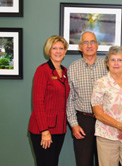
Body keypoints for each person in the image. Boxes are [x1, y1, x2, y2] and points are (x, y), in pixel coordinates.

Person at [67, 31, 107, 166]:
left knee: (107, 162)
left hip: (105, 120)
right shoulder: (73, 68)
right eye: (85, 42)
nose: (89, 45)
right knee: (83, 162)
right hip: (83, 121)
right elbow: (69, 99)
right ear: (80, 47)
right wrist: (74, 124)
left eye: (92, 42)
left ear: (97, 45)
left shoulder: (108, 67)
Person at [28, 35, 70, 166]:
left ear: (65, 51)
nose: (58, 51)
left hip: (60, 129)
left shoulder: (65, 72)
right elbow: (38, 103)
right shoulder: (42, 70)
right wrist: (44, 131)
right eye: (54, 48)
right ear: (49, 51)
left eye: (61, 48)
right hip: (44, 130)